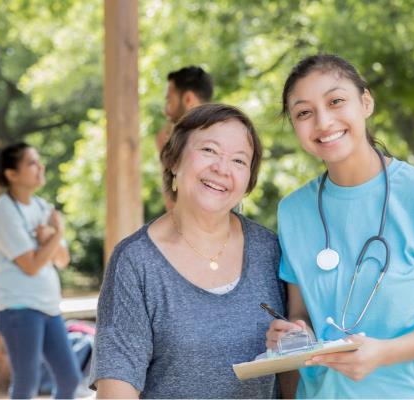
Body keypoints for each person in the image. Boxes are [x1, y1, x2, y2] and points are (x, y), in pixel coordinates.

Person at [265, 54, 414, 398]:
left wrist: (382, 353)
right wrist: (292, 335)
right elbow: (302, 314)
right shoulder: (293, 211)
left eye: (336, 101)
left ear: (365, 102)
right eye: (304, 112)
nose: (323, 121)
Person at [91, 103, 286, 398]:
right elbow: (117, 385)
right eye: (209, 150)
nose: (221, 168)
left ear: (248, 181)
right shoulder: (135, 261)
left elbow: (295, 366)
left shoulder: (270, 250)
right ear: (174, 160)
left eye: (239, 160)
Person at [0, 142, 81, 399]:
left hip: (48, 306)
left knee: (69, 377)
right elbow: (31, 265)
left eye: (39, 161)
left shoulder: (42, 207)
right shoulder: (2, 212)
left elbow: (63, 259)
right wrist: (56, 233)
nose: (41, 167)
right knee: (27, 383)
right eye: (32, 163)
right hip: (18, 309)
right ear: (11, 174)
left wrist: (48, 241)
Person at [156, 66, 214, 210]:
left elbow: (175, 209)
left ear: (188, 99)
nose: (166, 110)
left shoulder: (201, 144)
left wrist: (167, 154)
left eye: (170, 101)